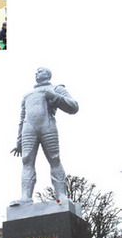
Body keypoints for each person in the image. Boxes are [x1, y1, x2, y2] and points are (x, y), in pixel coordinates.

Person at [11, 67, 79, 205]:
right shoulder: (27, 95)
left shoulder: (56, 88)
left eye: (40, 71)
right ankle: (25, 197)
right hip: (28, 129)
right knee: (26, 161)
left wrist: (55, 96)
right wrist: (18, 141)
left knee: (54, 159)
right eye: (36, 71)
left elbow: (74, 107)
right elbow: (22, 117)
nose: (36, 73)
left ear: (47, 74)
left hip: (47, 125)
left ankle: (61, 196)